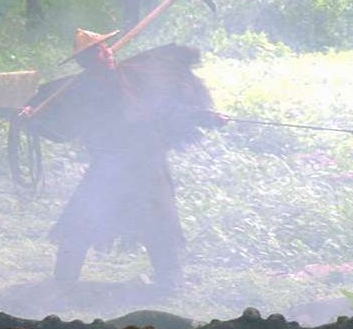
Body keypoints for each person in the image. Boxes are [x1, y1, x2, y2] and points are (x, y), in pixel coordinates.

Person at [19, 28, 229, 289]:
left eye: (105, 47)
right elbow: (51, 114)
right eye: (96, 51)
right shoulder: (76, 90)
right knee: (80, 221)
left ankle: (170, 282)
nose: (105, 52)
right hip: (108, 167)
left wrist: (205, 117)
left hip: (148, 165)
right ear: (84, 61)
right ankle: (63, 283)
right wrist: (31, 114)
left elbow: (165, 110)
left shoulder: (135, 77)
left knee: (160, 223)